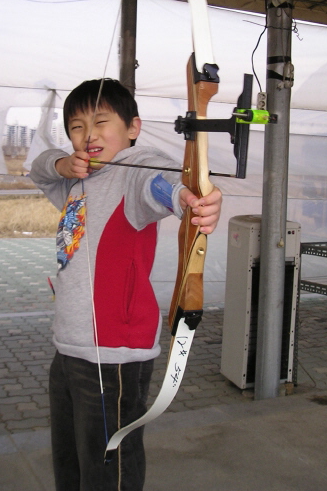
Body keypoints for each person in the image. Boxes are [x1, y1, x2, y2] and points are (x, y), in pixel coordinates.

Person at [30, 78, 222, 491]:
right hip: (69, 347)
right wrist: (63, 164)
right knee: (70, 463)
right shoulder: (77, 181)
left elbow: (161, 182)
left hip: (112, 356)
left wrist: (190, 200)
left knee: (109, 471)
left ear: (133, 127)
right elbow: (39, 168)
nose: (89, 135)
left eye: (102, 122)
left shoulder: (133, 172)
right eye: (77, 127)